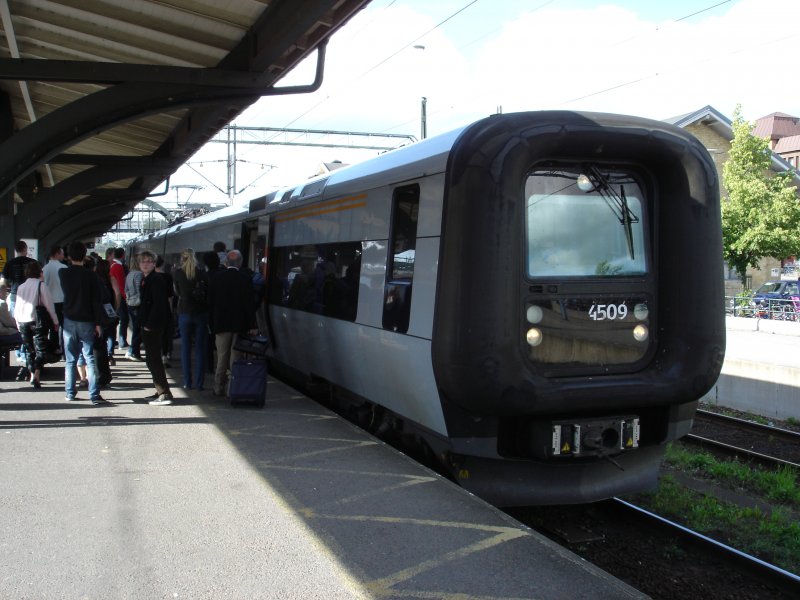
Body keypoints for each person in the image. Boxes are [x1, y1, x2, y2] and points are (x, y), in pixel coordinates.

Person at [59, 241, 108, 405]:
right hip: (87, 320)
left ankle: (70, 393)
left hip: (69, 321)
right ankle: (94, 395)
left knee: (70, 360)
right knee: (89, 358)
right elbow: (96, 301)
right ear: (84, 254)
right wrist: (98, 323)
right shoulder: (91, 276)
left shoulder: (63, 273)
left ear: (68, 256)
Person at [208, 249, 257, 397]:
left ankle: (218, 388)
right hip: (239, 325)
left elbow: (210, 303)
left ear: (226, 263)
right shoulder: (246, 278)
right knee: (235, 359)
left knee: (222, 357)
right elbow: (249, 304)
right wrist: (253, 325)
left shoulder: (216, 278)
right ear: (240, 263)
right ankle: (232, 389)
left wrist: (211, 323)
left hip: (221, 325)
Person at [137, 251, 173, 405]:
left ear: (154, 263)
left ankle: (163, 393)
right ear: (139, 264)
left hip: (153, 326)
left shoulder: (155, 279)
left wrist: (149, 325)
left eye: (149, 261)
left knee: (154, 360)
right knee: (152, 360)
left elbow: (159, 304)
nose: (146, 264)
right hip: (148, 325)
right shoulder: (148, 279)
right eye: (143, 261)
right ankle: (160, 389)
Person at [173, 248, 210, 390]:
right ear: (195, 258)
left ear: (182, 259)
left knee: (186, 349)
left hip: (184, 313)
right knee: (200, 349)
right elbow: (208, 291)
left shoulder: (178, 273)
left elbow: (176, 292)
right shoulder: (201, 273)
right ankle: (200, 383)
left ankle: (187, 382)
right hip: (201, 313)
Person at [1, 240, 36, 314]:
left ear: (16, 250)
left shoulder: (9, 263)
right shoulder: (33, 262)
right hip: (30, 295)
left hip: (15, 295)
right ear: (25, 249)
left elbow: (2, 282)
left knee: (15, 320)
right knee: (30, 319)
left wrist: (3, 298)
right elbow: (40, 279)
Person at [155, 255, 174, 366]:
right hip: (165, 308)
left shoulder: (149, 276)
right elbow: (170, 297)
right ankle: (164, 356)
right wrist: (171, 311)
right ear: (162, 264)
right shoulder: (168, 277)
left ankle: (156, 355)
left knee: (155, 333)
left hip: (153, 309)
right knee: (166, 334)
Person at [42, 245, 67, 328]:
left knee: (53, 327)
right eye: (62, 254)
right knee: (63, 326)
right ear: (57, 254)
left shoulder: (44, 269)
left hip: (49, 302)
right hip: (62, 301)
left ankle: (54, 341)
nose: (63, 256)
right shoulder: (64, 268)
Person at [124, 256, 143, 360]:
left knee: (136, 328)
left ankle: (134, 351)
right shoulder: (139, 274)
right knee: (139, 329)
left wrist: (128, 299)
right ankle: (132, 351)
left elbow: (126, 289)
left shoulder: (129, 274)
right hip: (138, 304)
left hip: (130, 303)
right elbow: (139, 289)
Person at [110, 248, 129, 349]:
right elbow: (121, 284)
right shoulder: (118, 267)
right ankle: (122, 342)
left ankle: (113, 341)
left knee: (117, 319)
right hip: (120, 297)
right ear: (123, 255)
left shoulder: (113, 265)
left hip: (115, 296)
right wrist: (125, 297)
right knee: (124, 319)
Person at [0, 282, 23, 354]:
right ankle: (26, 357)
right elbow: (8, 322)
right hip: (3, 335)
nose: (6, 294)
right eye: (5, 291)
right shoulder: (1, 303)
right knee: (26, 335)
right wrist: (19, 326)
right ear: (1, 292)